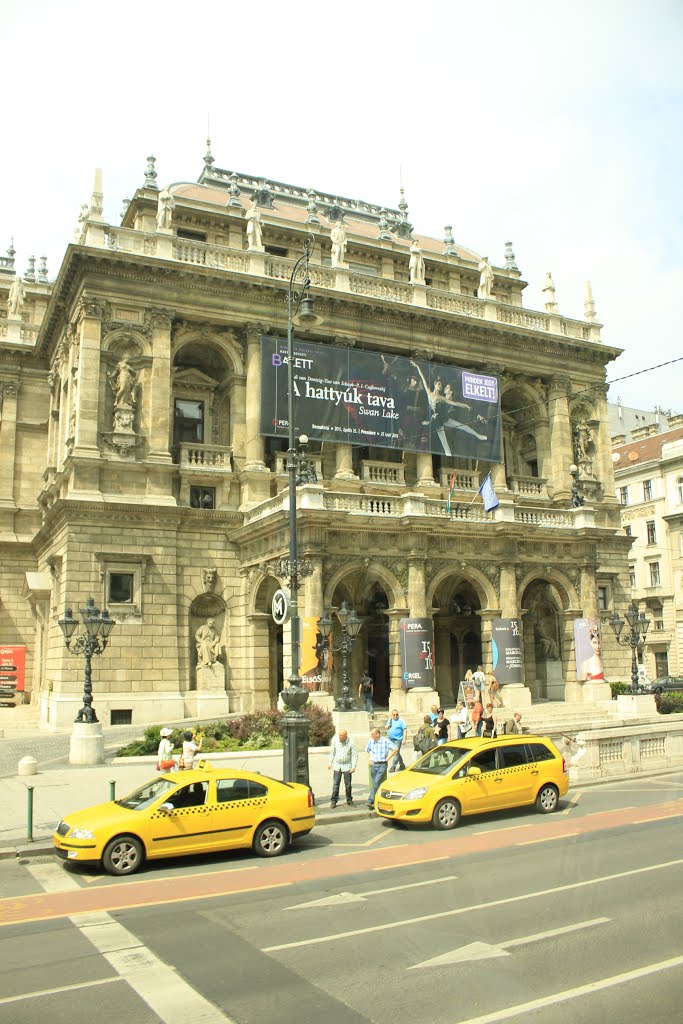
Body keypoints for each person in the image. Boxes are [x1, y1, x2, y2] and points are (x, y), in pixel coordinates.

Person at [365, 728, 398, 808]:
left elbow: (395, 748)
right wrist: (369, 760)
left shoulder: (385, 741)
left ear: (378, 734)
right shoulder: (371, 741)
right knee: (374, 783)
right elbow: (366, 750)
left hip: (382, 764)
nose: (371, 736)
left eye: (372, 734)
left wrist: (389, 757)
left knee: (376, 781)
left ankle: (370, 800)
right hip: (374, 764)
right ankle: (378, 800)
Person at [328, 728, 358, 807]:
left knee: (348, 784)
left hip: (347, 766)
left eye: (341, 736)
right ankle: (334, 801)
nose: (340, 737)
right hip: (337, 766)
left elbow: (355, 755)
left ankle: (349, 800)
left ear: (345, 736)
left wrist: (353, 766)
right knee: (335, 784)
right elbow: (332, 753)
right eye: (339, 736)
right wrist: (330, 762)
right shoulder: (336, 742)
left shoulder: (351, 743)